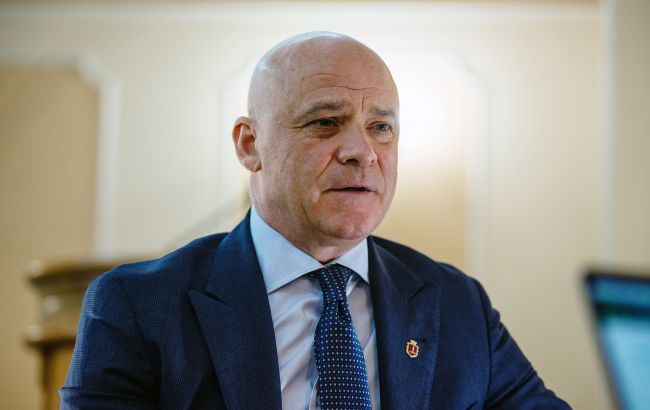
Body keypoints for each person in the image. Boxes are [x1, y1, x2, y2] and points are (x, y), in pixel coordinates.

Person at [61, 32, 570, 409]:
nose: (362, 152)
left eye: (381, 127)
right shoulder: (136, 306)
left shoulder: (458, 304)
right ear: (250, 144)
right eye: (325, 122)